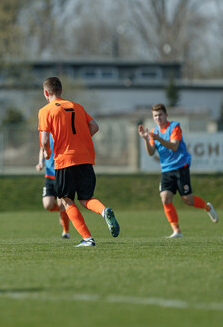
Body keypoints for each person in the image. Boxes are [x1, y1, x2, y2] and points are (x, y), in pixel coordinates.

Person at [38, 77, 120, 247]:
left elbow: (45, 138)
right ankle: (104, 211)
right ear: (61, 90)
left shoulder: (45, 110)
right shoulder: (78, 107)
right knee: (86, 198)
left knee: (66, 200)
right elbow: (95, 126)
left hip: (64, 160)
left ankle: (87, 238)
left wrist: (46, 152)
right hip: (85, 158)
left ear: (46, 92)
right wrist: (80, 140)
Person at [138, 103, 218, 238]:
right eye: (155, 116)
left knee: (188, 200)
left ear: (166, 115)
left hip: (181, 166)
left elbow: (174, 146)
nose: (158, 118)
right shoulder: (154, 132)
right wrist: (147, 140)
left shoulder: (174, 126)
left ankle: (207, 207)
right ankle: (177, 231)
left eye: (160, 115)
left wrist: (158, 139)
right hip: (166, 170)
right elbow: (151, 153)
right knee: (165, 198)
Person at [35, 143, 70, 239]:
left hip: (61, 174)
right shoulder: (44, 132)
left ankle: (65, 232)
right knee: (47, 204)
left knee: (61, 203)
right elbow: (42, 148)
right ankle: (63, 211)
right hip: (49, 175)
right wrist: (40, 163)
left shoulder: (61, 131)